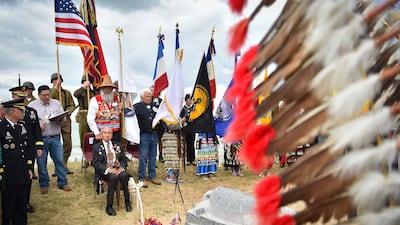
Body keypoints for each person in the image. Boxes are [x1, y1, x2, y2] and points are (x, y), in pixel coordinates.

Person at [28, 85, 72, 194]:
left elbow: (64, 120)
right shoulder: (32, 106)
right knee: (41, 162)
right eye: (44, 95)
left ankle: (63, 182)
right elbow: (28, 124)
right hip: (40, 139)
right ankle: (44, 184)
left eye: (48, 94)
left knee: (60, 160)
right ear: (39, 95)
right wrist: (37, 127)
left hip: (55, 137)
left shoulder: (56, 103)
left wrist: (61, 118)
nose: (47, 97)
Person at [9, 85, 44, 213]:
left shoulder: (31, 112)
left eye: (24, 97)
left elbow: (37, 131)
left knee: (28, 175)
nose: (22, 99)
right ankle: (14, 203)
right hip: (13, 150)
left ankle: (26, 202)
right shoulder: (11, 112)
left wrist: (39, 146)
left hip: (29, 149)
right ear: (13, 97)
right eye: (19, 97)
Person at [0, 98, 34, 225]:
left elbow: (26, 149)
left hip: (23, 173)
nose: (24, 113)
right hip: (9, 176)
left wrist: (29, 167)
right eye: (21, 110)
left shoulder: (21, 127)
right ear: (13, 111)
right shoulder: (1, 128)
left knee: (21, 207)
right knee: (9, 208)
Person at [92, 127, 132, 216]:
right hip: (106, 172)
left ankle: (127, 201)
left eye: (109, 133)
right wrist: (109, 170)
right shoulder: (96, 147)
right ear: (101, 135)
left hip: (118, 168)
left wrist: (122, 167)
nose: (107, 135)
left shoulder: (117, 145)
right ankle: (109, 206)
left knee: (124, 175)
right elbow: (96, 163)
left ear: (112, 135)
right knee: (113, 178)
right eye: (105, 133)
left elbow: (123, 159)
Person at [134, 89, 162, 188]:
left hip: (154, 134)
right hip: (144, 135)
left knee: (153, 156)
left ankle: (152, 176)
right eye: (147, 96)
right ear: (142, 97)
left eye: (150, 96)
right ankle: (141, 177)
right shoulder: (137, 107)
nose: (149, 98)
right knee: (143, 157)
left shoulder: (154, 106)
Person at [50, 73, 76, 175]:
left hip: (65, 119)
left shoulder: (67, 93)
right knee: (55, 143)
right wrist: (55, 88)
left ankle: (64, 164)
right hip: (53, 121)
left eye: (59, 79)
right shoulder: (50, 92)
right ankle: (57, 167)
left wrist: (68, 111)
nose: (57, 81)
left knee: (67, 142)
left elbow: (72, 105)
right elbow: (49, 99)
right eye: (55, 79)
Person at [87, 75, 121, 143]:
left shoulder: (118, 99)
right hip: (102, 133)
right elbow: (90, 119)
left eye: (110, 88)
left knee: (116, 151)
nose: (107, 90)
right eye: (105, 88)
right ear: (101, 89)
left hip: (116, 133)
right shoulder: (95, 100)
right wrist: (96, 132)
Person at [73, 75, 96, 156]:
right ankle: (85, 156)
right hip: (83, 115)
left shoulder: (94, 92)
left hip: (94, 114)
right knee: (83, 136)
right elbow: (75, 94)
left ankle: (95, 155)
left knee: (94, 135)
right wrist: (83, 87)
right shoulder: (81, 92)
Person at [180, 94, 196, 166]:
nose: (189, 102)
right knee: (185, 144)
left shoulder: (194, 108)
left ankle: (192, 159)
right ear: (185, 101)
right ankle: (186, 159)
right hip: (185, 128)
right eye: (188, 100)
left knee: (192, 143)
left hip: (192, 127)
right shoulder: (182, 109)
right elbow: (181, 118)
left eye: (191, 100)